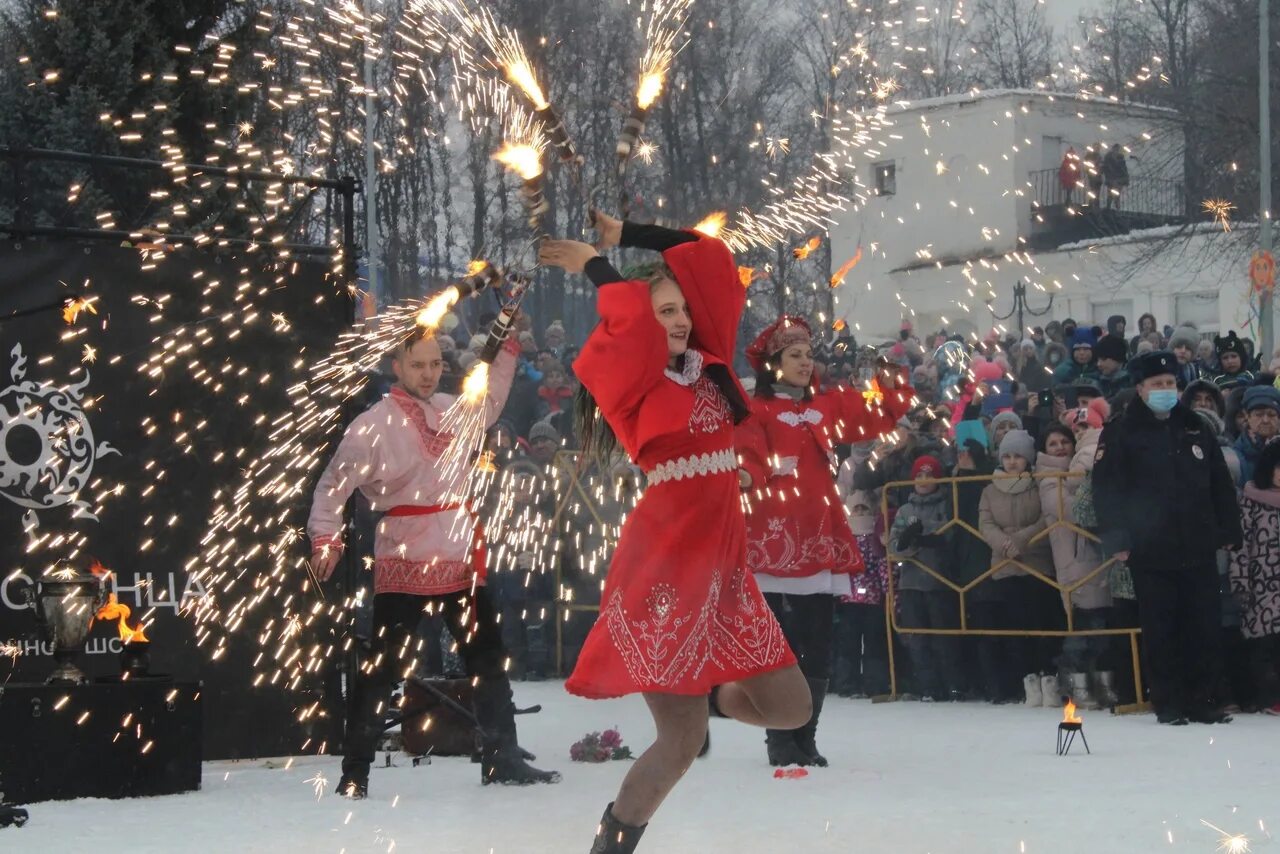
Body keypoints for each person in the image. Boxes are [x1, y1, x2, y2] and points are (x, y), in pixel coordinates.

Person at [539, 211, 810, 853]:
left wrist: (627, 233)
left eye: (681, 309)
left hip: (724, 568)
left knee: (793, 709)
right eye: (665, 312)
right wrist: (594, 267)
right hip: (664, 567)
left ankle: (712, 695)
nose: (680, 320)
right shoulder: (630, 382)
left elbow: (709, 257)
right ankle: (615, 841)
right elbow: (626, 324)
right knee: (680, 742)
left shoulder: (707, 363)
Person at [308, 329, 558, 798]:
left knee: (486, 658)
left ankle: (501, 758)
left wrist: (505, 350)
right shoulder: (372, 424)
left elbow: (491, 402)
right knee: (381, 669)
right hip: (405, 554)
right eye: (418, 365)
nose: (428, 374)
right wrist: (326, 539)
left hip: (459, 551)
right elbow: (332, 486)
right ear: (397, 367)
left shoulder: (451, 408)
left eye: (435, 364)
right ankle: (355, 772)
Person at [737, 314, 914, 765]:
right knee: (775, 642)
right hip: (770, 537)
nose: (804, 362)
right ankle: (779, 738)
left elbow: (883, 412)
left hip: (818, 537)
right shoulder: (754, 408)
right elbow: (747, 455)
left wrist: (888, 377)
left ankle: (806, 735)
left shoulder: (827, 405)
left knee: (817, 641)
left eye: (808, 355)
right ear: (773, 362)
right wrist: (746, 475)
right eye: (794, 355)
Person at [1093, 351, 1244, 725]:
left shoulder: (1196, 425)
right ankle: (1169, 702)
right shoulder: (1121, 431)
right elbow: (1106, 489)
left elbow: (1219, 483)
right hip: (1150, 548)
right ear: (1141, 389)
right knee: (1163, 629)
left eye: (1170, 384)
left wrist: (1228, 529)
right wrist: (1118, 538)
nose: (1165, 390)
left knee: (1203, 626)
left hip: (1197, 544)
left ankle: (1204, 699)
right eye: (1157, 384)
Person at [977, 429, 1058, 703]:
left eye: (1018, 456)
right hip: (1004, 565)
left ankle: (1049, 678)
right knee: (1015, 626)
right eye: (1007, 456)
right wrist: (1004, 545)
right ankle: (1028, 681)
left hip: (1037, 562)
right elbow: (985, 523)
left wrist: (1021, 540)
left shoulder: (1039, 485)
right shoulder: (989, 489)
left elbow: (1047, 517)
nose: (1012, 462)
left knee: (1041, 623)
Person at [1055, 399, 1119, 707]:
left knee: (1087, 623)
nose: (1079, 431)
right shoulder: (1101, 447)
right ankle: (1101, 683)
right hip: (1092, 548)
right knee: (1097, 622)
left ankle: (1082, 685)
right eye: (1076, 427)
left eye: (1084, 426)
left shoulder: (1087, 451)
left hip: (1088, 546)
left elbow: (1075, 485)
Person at [889, 454, 965, 702]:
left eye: (929, 475)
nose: (923, 480)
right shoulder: (905, 509)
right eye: (919, 475)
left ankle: (953, 683)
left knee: (944, 637)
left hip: (939, 580)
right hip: (911, 582)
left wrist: (927, 536)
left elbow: (950, 534)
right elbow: (894, 546)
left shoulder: (946, 504)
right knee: (917, 637)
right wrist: (910, 543)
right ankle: (928, 686)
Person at [1227, 439, 1280, 715]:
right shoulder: (1251, 500)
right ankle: (1268, 697)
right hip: (1262, 589)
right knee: (1264, 648)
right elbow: (1240, 547)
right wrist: (1240, 584)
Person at [833, 489, 890, 699]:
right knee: (849, 642)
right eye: (855, 508)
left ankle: (874, 683)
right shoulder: (843, 537)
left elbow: (881, 565)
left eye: (863, 508)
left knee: (874, 642)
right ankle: (847, 683)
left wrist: (887, 589)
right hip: (848, 599)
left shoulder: (875, 538)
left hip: (872, 598)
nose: (858, 512)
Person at [1233, 385, 1280, 487]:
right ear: (1247, 416)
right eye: (1258, 414)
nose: (1265, 420)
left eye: (1271, 415)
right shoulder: (1234, 457)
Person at [1094, 334, 1133, 400]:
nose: (1098, 364)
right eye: (1097, 359)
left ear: (1117, 358)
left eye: (1103, 359)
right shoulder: (1097, 382)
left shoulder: (1133, 382)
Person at [1102, 144, 1129, 208]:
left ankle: (1116, 208)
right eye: (1115, 149)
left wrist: (1126, 178)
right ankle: (1109, 207)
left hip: (1119, 179)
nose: (1116, 151)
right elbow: (1105, 168)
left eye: (1117, 149)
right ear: (1113, 149)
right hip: (1111, 179)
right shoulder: (1108, 158)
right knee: (1110, 194)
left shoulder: (1120, 158)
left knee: (1116, 195)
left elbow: (1124, 168)